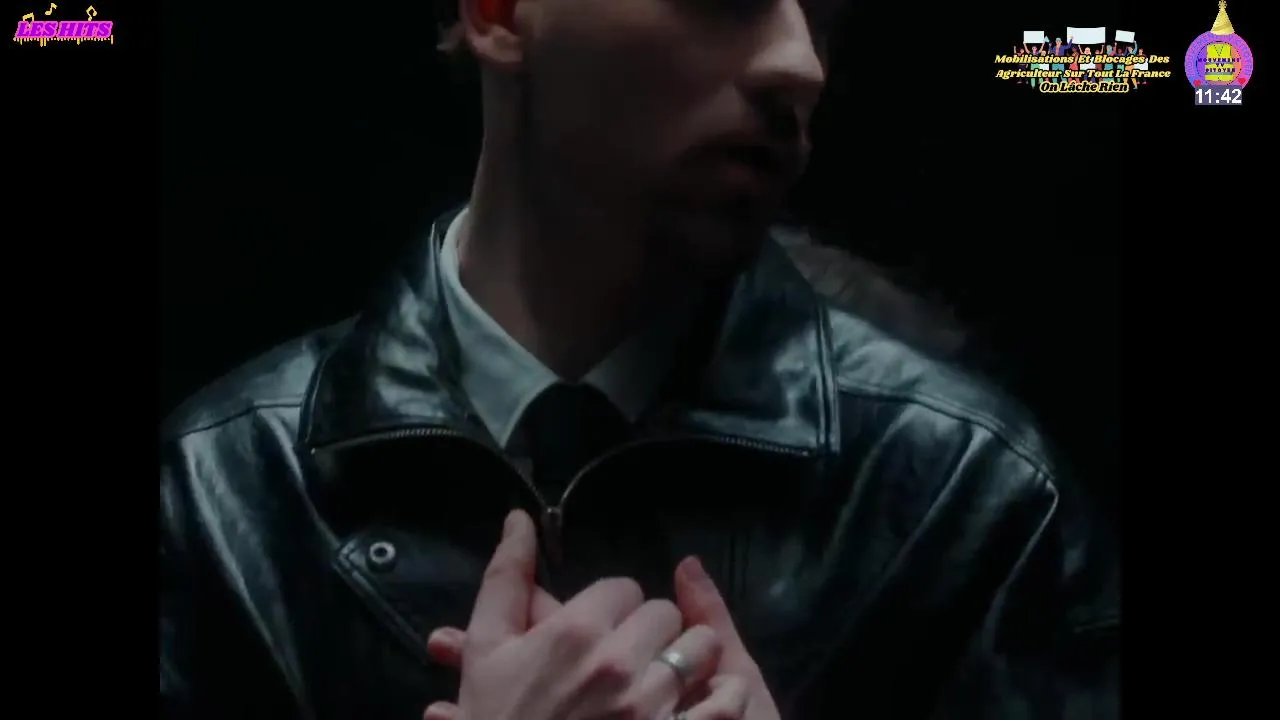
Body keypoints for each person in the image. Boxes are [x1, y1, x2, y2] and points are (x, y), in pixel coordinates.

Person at [159, 1, 1118, 719]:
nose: (801, 62)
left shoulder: (969, 498)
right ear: (500, 11)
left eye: (818, 12)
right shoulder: (220, 494)